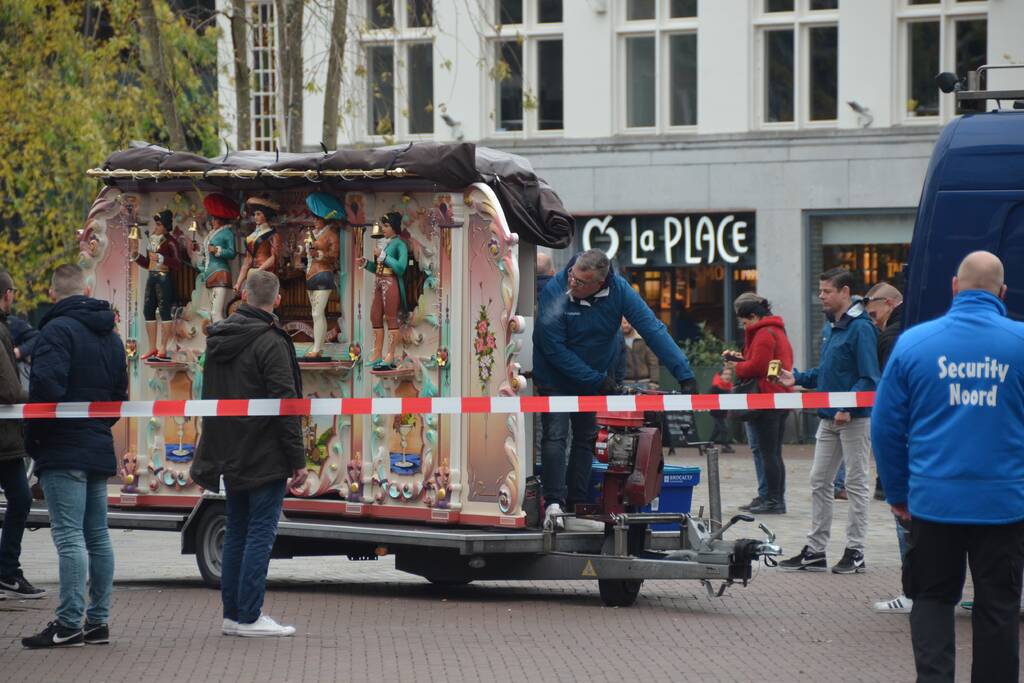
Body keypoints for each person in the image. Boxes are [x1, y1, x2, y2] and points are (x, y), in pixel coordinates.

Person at [873, 252, 1024, 682]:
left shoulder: (915, 344)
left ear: (954, 286)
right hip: (1004, 504)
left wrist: (899, 493)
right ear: (1002, 292)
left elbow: (885, 429)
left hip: (933, 502)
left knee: (933, 600)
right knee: (999, 605)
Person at [533, 249, 696, 531]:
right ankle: (553, 503)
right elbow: (554, 349)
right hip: (556, 377)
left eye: (582, 283)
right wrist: (598, 379)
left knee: (586, 438)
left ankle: (577, 503)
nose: (573, 285)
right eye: (573, 277)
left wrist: (684, 373)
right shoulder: (556, 288)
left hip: (594, 376)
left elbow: (652, 329)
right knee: (555, 435)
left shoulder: (619, 291)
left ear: (601, 282)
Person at [190, 270, 308, 638]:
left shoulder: (219, 337)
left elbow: (211, 397)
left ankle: (233, 614)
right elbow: (284, 403)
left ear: (242, 295)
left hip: (229, 448)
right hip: (264, 449)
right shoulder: (271, 341)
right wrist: (297, 459)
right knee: (260, 532)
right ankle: (251, 615)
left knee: (238, 530)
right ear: (276, 301)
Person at [21, 264, 128, 648]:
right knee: (97, 536)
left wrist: (34, 442)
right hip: (97, 445)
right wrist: (99, 428)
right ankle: (97, 622)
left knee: (69, 538)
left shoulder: (55, 331)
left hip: (63, 448)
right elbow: (119, 396)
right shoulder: (112, 336)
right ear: (85, 289)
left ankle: (68, 624)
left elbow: (45, 390)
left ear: (53, 294)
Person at [777, 267, 880, 574]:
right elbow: (828, 374)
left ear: (845, 292)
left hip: (853, 419)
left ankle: (855, 550)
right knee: (819, 481)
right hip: (829, 416)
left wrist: (848, 405)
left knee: (856, 484)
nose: (821, 296)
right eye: (820, 290)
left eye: (827, 291)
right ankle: (815, 550)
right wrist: (796, 378)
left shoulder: (861, 328)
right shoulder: (833, 326)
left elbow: (869, 377)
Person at [863, 282, 911, 614]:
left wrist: (889, 484)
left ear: (891, 303)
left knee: (907, 522)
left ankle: (914, 592)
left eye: (874, 311)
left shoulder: (893, 337)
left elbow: (890, 404)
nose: (873, 319)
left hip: (910, 444)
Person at [725, 293, 794, 515]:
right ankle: (771, 496)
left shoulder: (764, 333)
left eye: (745, 322)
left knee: (768, 453)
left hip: (766, 398)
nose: (743, 326)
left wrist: (737, 367)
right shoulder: (775, 330)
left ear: (754, 316)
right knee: (772, 452)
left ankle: (773, 500)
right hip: (777, 396)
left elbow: (758, 367)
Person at [0, 273, 45, 601]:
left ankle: (7, 570)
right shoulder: (2, 328)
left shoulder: (9, 327)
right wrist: (37, 397)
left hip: (6, 438)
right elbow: (10, 389)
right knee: (20, 498)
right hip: (4, 438)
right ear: (7, 295)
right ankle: (7, 570)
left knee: (19, 497)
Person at [358, 212, 408, 370]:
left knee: (390, 317)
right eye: (383, 226)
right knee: (375, 316)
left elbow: (400, 268)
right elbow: (378, 267)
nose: (383, 229)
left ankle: (390, 354)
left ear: (394, 227)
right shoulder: (385, 243)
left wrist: (384, 256)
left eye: (386, 226)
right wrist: (366, 263)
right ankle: (377, 353)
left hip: (390, 282)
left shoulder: (400, 244)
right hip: (379, 282)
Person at [130, 210, 181, 361]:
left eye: (159, 224)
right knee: (148, 310)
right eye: (156, 224)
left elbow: (177, 264)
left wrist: (161, 258)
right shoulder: (152, 240)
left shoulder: (171, 242)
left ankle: (163, 347)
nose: (156, 227)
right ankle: (152, 347)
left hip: (164, 278)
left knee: (165, 311)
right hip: (151, 277)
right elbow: (148, 263)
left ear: (165, 226)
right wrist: (136, 256)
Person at [303, 192, 342, 360]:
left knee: (317, 313)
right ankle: (318, 346)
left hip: (323, 275)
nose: (314, 221)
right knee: (315, 312)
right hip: (310, 275)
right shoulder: (312, 235)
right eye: (313, 218)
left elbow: (334, 256)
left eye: (317, 218)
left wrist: (318, 254)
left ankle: (317, 347)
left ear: (323, 219)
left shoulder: (331, 235)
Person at [191, 193, 239, 324]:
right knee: (211, 313)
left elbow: (232, 252)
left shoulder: (227, 233)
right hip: (209, 274)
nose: (211, 221)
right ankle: (214, 341)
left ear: (220, 219)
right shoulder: (212, 233)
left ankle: (223, 341)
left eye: (213, 218)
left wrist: (217, 250)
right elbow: (207, 251)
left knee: (216, 312)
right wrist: (199, 248)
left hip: (220, 274)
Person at [235, 197, 282, 292]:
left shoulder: (273, 235)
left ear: (265, 216)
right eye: (254, 214)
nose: (255, 217)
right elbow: (247, 261)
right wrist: (238, 283)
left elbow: (274, 257)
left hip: (266, 273)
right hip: (253, 274)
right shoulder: (251, 236)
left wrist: (259, 270)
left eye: (258, 214)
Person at [620, 317, 660, 389]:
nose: (626, 325)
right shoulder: (617, 341)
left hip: (645, 382)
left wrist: (654, 381)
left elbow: (652, 360)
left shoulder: (642, 338)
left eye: (628, 322)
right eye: (623, 323)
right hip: (625, 382)